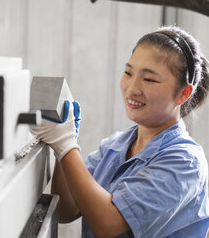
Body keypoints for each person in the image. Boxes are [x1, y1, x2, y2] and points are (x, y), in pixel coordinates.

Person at [31, 25, 209, 238]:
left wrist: (67, 145)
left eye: (149, 79)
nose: (132, 88)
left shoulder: (184, 162)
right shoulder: (114, 146)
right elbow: (66, 211)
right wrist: (62, 149)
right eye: (128, 73)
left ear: (183, 93)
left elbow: (108, 224)